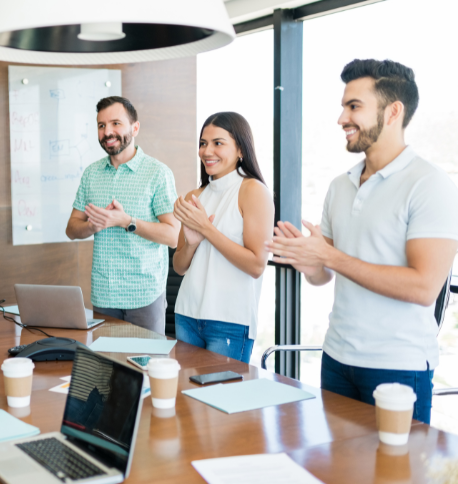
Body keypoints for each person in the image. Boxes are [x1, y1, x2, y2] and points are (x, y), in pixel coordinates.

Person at [266, 59, 458, 424]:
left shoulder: (430, 186)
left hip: (397, 369)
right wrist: (310, 262)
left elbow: (423, 288)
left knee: (394, 480)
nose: (342, 118)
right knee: (337, 477)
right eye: (343, 107)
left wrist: (330, 256)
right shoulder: (341, 185)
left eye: (354, 107)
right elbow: (324, 274)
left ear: (393, 112)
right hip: (336, 358)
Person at [65, 96, 180, 334]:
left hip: (144, 295)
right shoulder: (91, 174)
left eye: (116, 123)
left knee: (145, 368)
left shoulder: (157, 173)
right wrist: (92, 227)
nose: (108, 132)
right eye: (101, 125)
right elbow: (72, 228)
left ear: (134, 127)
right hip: (104, 294)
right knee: (107, 368)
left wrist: (127, 221)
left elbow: (172, 236)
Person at [171, 112, 274, 362]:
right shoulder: (195, 195)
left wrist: (207, 230)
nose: (207, 151)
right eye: (203, 143)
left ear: (241, 149)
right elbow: (179, 266)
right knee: (185, 398)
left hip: (229, 320)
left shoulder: (253, 190)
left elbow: (256, 265)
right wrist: (192, 245)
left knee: (218, 398)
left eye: (218, 143)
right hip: (187, 315)